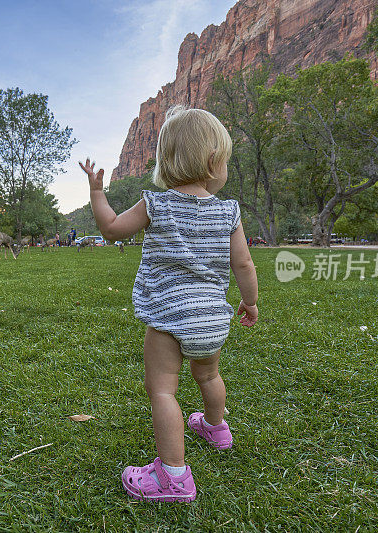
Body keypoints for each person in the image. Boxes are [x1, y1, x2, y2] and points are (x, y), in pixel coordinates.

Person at [79, 105, 259, 503]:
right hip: (213, 318)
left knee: (162, 390)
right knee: (208, 376)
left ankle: (173, 478)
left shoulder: (155, 204)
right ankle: (216, 428)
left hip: (169, 317)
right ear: (214, 162)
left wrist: (96, 191)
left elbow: (111, 230)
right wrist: (250, 303)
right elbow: (243, 262)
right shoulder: (229, 211)